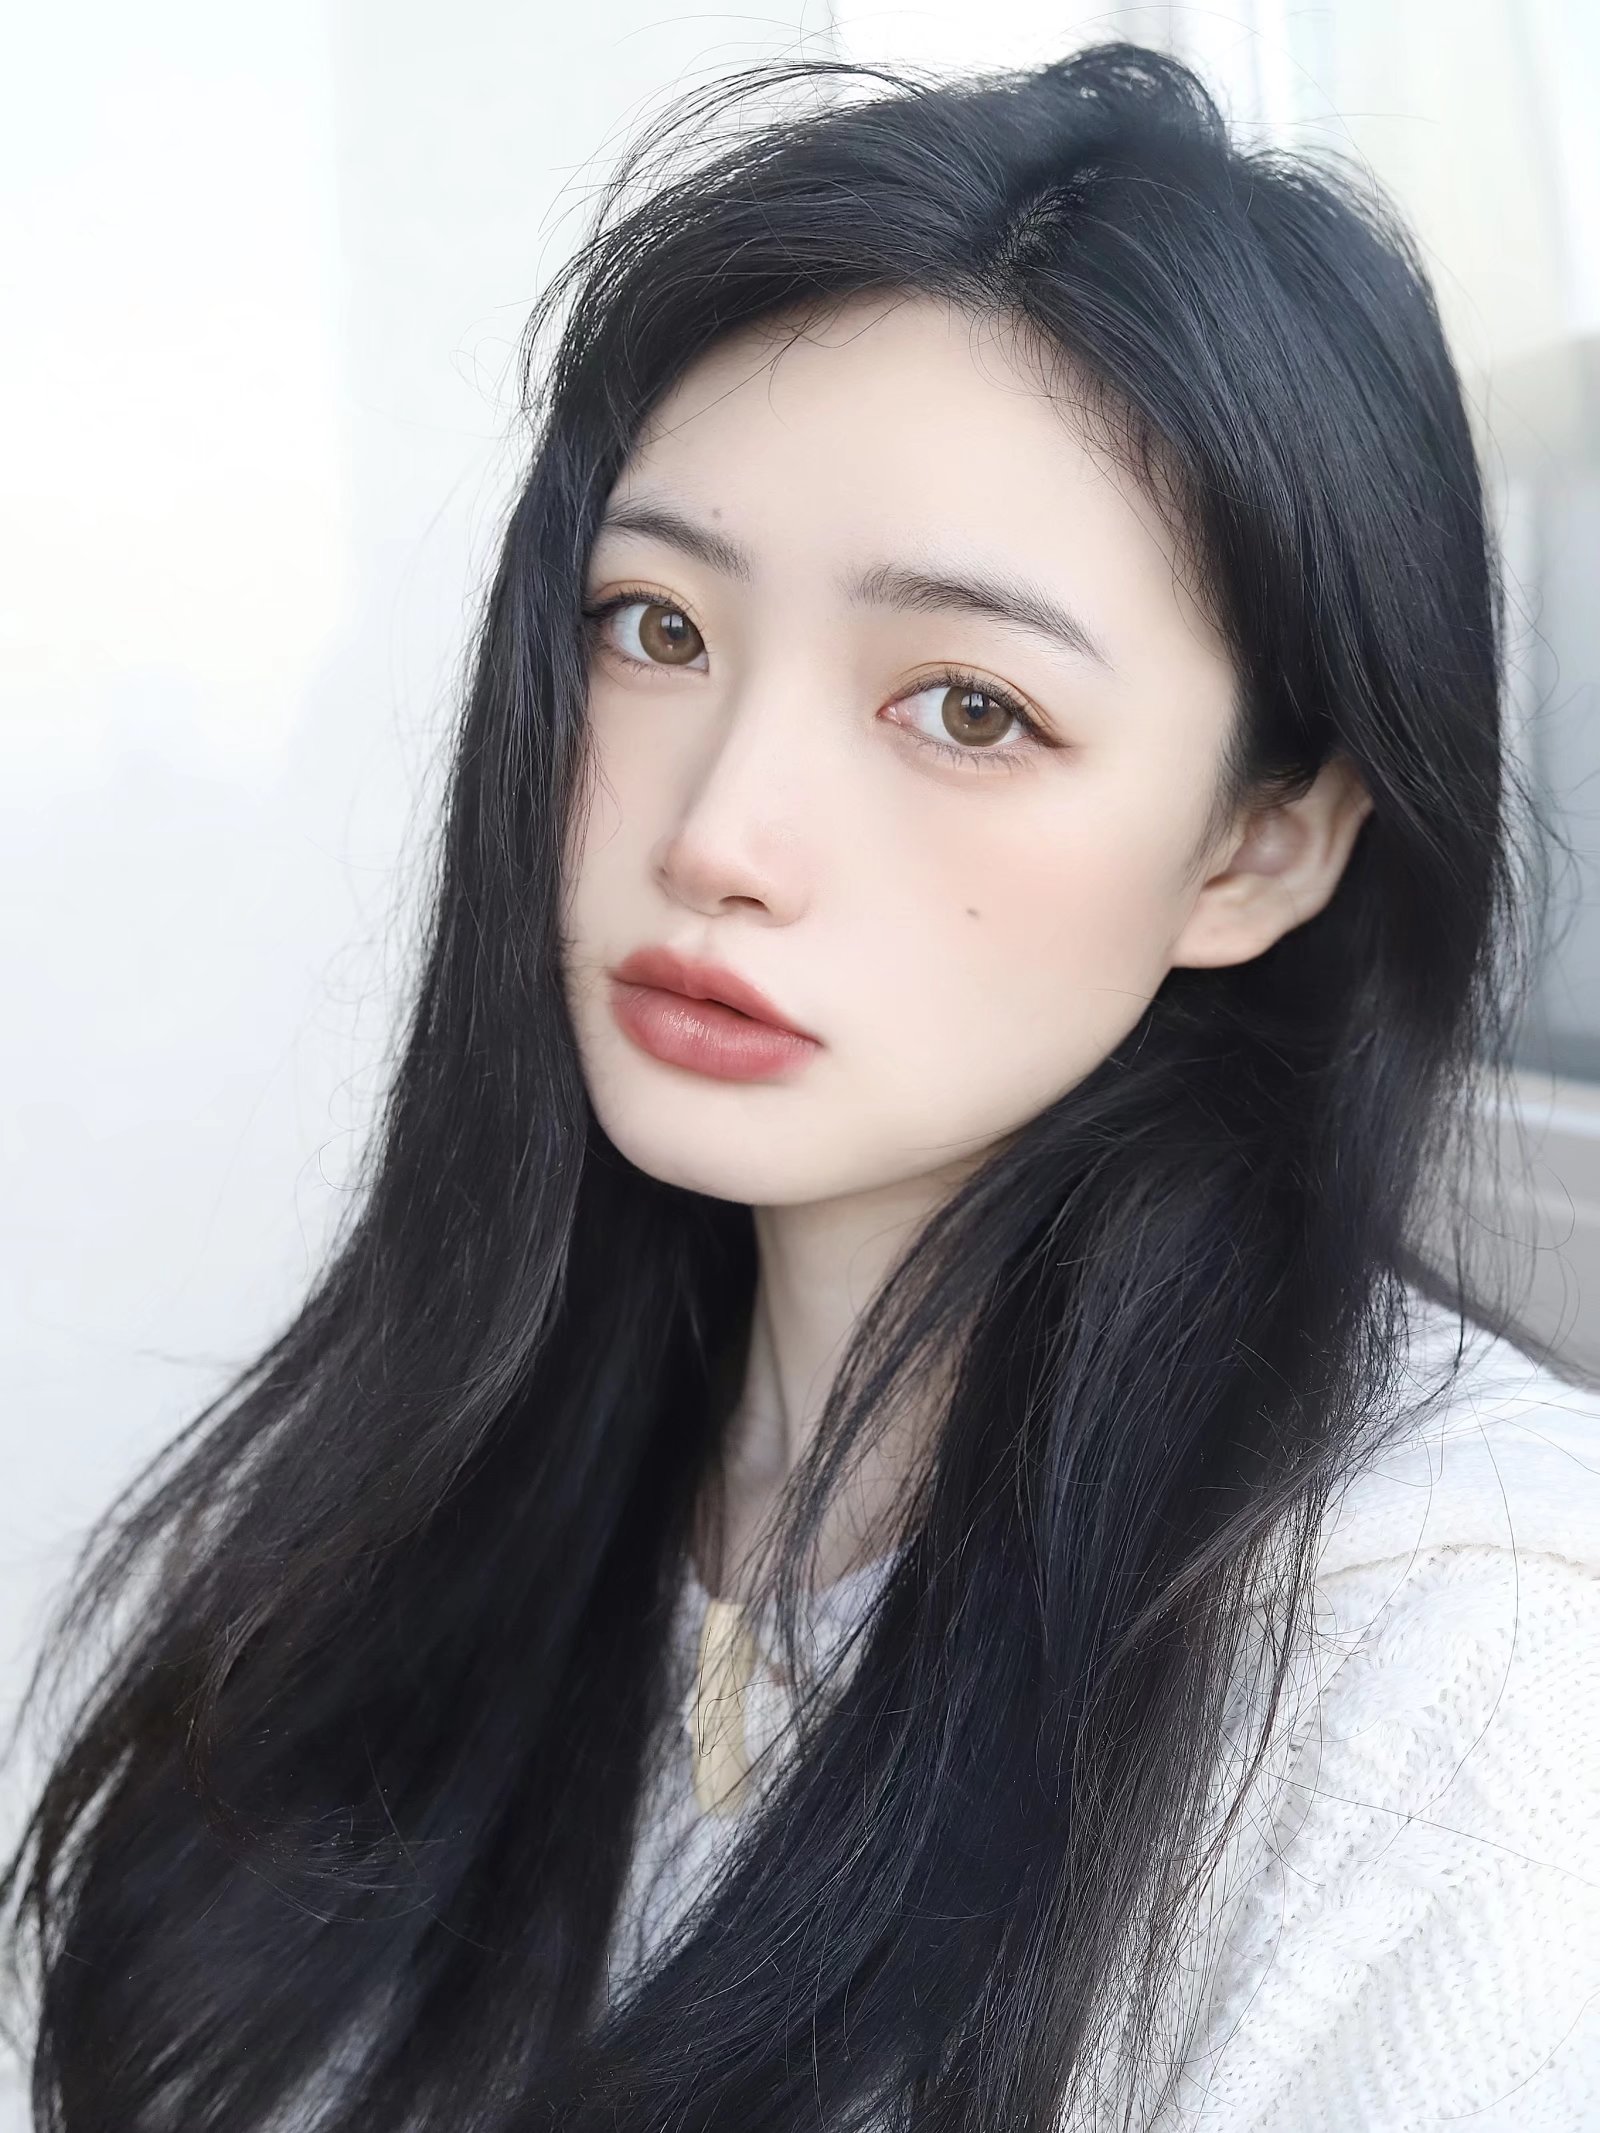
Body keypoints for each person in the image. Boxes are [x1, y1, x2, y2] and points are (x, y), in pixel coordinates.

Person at [3, 39, 1597, 2133]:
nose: (721, 832)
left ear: (1258, 843)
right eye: (655, 628)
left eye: (967, 707)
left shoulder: (1464, 1675)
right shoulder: (474, 1492)